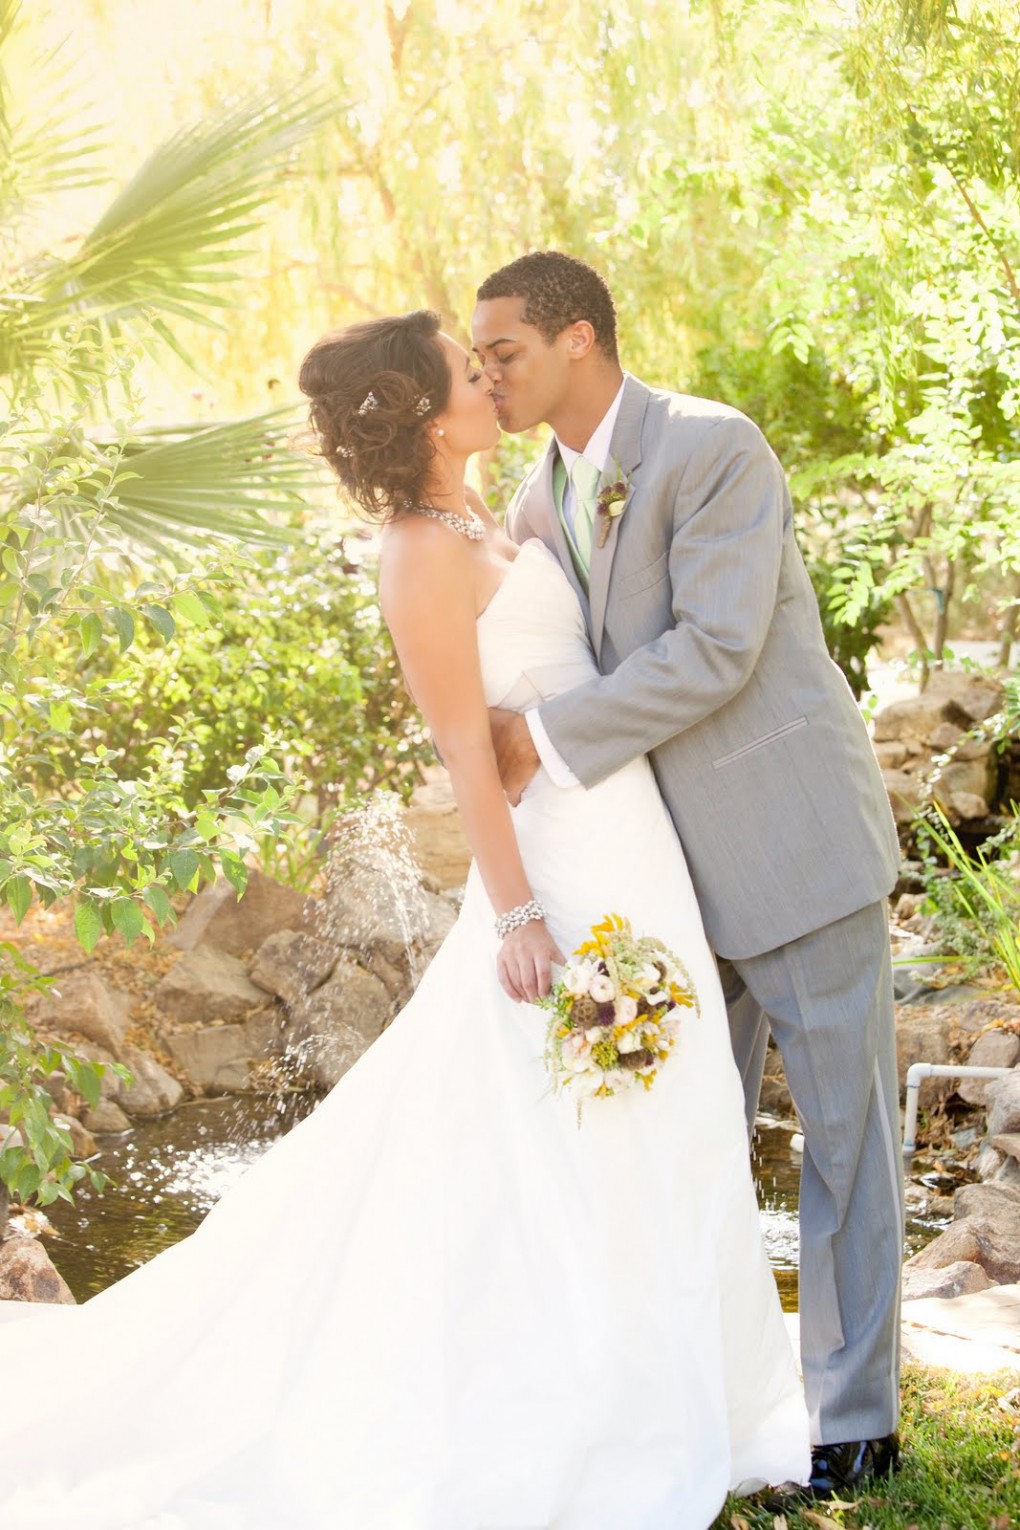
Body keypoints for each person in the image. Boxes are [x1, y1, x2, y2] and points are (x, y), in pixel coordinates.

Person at [0, 309, 809, 1529]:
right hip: (561, 870)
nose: (487, 375)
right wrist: (519, 915)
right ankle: (591, 1402)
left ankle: (704, 1395)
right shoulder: (417, 555)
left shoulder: (508, 508)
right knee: (574, 1122)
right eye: (464, 364)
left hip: (633, 840)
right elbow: (462, 752)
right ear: (432, 412)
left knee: (675, 1103)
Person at [471, 251, 905, 1505]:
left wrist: (535, 745)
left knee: (845, 1143)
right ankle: (712, 1400)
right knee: (690, 1144)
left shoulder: (716, 449)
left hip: (791, 846)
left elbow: (717, 647)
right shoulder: (537, 495)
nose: (489, 372)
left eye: (505, 351)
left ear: (581, 341)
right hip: (655, 886)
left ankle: (856, 1422)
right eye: (481, 358)